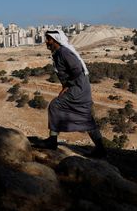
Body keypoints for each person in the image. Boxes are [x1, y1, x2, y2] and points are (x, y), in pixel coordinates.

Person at [35, 29, 106, 157]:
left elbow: (77, 70)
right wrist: (66, 86)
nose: (46, 42)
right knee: (85, 116)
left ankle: (52, 141)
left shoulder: (64, 52)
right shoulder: (59, 53)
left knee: (55, 106)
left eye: (48, 39)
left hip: (78, 87)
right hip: (79, 87)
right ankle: (101, 149)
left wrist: (67, 86)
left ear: (55, 40)